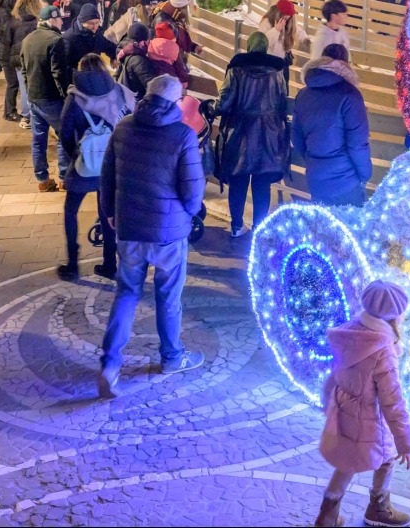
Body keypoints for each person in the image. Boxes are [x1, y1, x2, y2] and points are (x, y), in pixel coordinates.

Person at [97, 74, 206, 397]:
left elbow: (107, 177)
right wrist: (187, 216)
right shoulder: (183, 135)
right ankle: (172, 356)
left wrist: (111, 214)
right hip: (168, 233)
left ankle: (109, 363)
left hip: (130, 228)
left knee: (127, 293)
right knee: (168, 297)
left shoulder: (124, 127)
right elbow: (193, 190)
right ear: (175, 102)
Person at [314, 280, 410, 528]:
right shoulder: (383, 351)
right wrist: (406, 441)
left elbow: (334, 373)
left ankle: (327, 516)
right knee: (388, 457)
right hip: (371, 420)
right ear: (394, 314)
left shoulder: (351, 331)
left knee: (347, 463)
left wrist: (328, 402)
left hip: (345, 412)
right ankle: (379, 508)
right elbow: (393, 401)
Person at [57, 54, 134, 282]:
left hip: (84, 163)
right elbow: (130, 120)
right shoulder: (119, 91)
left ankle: (73, 264)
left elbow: (64, 131)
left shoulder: (75, 97)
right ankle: (110, 264)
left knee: (71, 210)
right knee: (107, 212)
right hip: (112, 163)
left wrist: (75, 155)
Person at [216, 32, 289, 238]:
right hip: (268, 134)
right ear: (266, 48)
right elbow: (282, 102)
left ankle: (237, 226)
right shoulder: (277, 72)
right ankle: (259, 228)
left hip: (240, 132)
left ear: (249, 47)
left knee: (238, 180)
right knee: (261, 182)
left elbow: (225, 101)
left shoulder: (236, 69)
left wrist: (212, 109)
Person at [293, 44, 371, 206]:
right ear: (345, 64)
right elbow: (357, 144)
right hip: (346, 181)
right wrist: (365, 175)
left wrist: (313, 163)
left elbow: (297, 136)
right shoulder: (350, 95)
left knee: (322, 228)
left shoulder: (303, 94)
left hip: (316, 179)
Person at [21, 4, 71, 191]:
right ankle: (64, 177)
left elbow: (24, 70)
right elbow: (58, 73)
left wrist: (29, 91)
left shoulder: (27, 40)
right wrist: (66, 96)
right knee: (62, 136)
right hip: (52, 99)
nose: (61, 22)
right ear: (52, 20)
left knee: (38, 139)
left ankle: (42, 179)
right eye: (59, 19)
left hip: (34, 97)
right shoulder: (55, 40)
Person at [8, 0, 42, 128]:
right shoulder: (36, 21)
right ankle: (35, 115)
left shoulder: (14, 19)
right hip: (32, 58)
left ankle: (26, 117)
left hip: (17, 58)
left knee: (24, 88)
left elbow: (7, 40)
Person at [0, 0, 21, 121]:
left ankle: (10, 111)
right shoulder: (7, 20)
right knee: (12, 84)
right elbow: (8, 39)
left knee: (13, 83)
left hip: (4, 53)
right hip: (6, 55)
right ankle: (9, 112)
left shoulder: (0, 13)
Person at [63, 3, 117, 74]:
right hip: (78, 78)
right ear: (82, 22)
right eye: (91, 23)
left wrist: (114, 56)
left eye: (97, 23)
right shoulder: (69, 38)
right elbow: (64, 65)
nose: (95, 27)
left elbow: (108, 46)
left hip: (95, 73)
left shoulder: (97, 33)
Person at [259, 0, 308, 69]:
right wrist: (276, 30)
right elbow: (264, 43)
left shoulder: (288, 21)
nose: (288, 16)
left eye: (290, 14)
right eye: (286, 14)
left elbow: (297, 31)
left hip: (283, 61)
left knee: (284, 79)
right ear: (278, 12)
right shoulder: (266, 22)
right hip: (270, 62)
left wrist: (305, 39)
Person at [117, 23, 157, 99]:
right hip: (136, 100)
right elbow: (152, 85)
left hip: (129, 96)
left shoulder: (124, 50)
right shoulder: (138, 60)